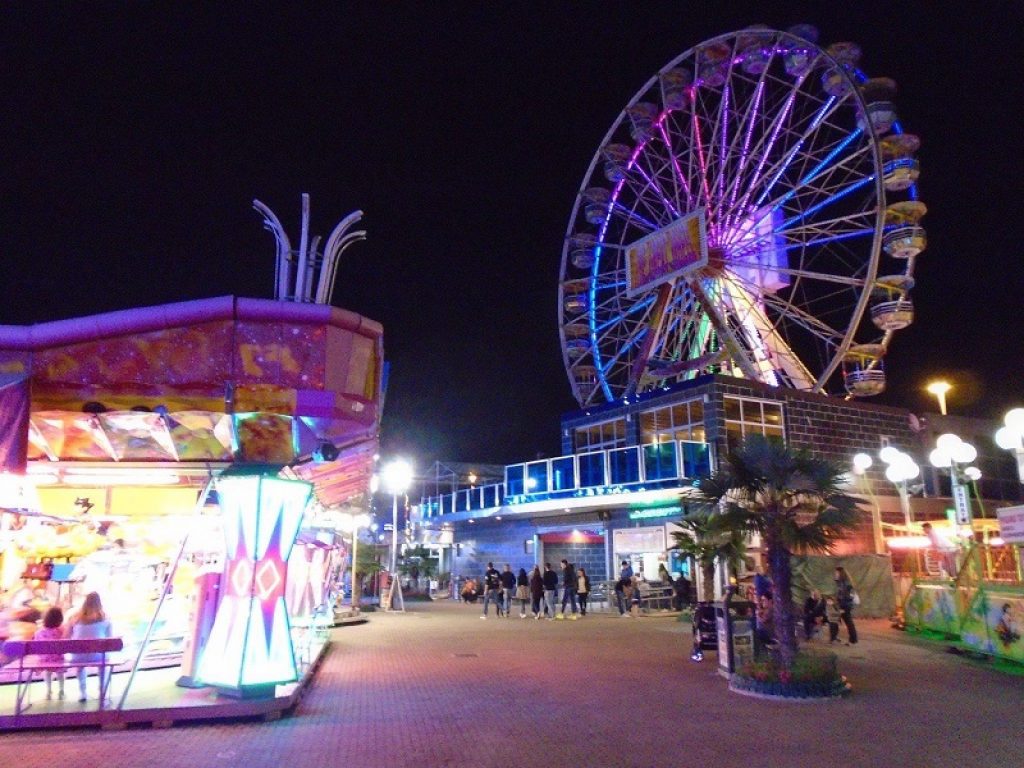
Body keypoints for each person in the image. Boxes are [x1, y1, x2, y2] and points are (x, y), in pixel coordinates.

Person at [68, 592, 113, 703]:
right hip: (98, 657)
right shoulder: (106, 620)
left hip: (78, 657)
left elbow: (66, 637)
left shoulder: (74, 619)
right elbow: (110, 639)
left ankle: (83, 692)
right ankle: (103, 692)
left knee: (80, 664)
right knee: (104, 663)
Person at [34, 606, 66, 700]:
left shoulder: (39, 632)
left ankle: (48, 691)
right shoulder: (61, 631)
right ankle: (61, 690)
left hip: (45, 660)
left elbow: (36, 646)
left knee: (48, 672)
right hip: (58, 659)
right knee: (60, 672)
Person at [834, 566, 858, 644]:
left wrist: (842, 607)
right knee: (845, 621)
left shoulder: (844, 583)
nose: (835, 574)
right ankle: (853, 639)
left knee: (838, 620)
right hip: (844, 605)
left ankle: (852, 639)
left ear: (841, 573)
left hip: (844, 605)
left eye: (836, 573)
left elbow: (845, 596)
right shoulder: (843, 582)